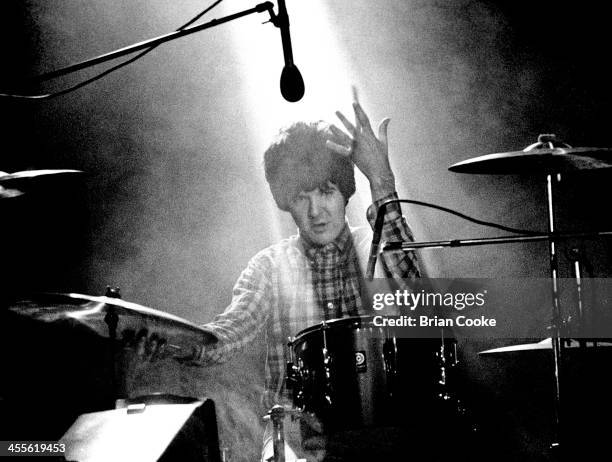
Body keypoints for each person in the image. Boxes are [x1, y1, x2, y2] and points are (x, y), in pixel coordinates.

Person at [195, 94, 422, 461]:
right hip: (295, 437)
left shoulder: (376, 246)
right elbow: (228, 334)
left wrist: (381, 183)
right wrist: (172, 339)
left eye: (326, 191)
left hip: (379, 435)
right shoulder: (268, 267)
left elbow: (421, 299)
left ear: (345, 192)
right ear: (286, 203)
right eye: (301, 198)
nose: (316, 211)